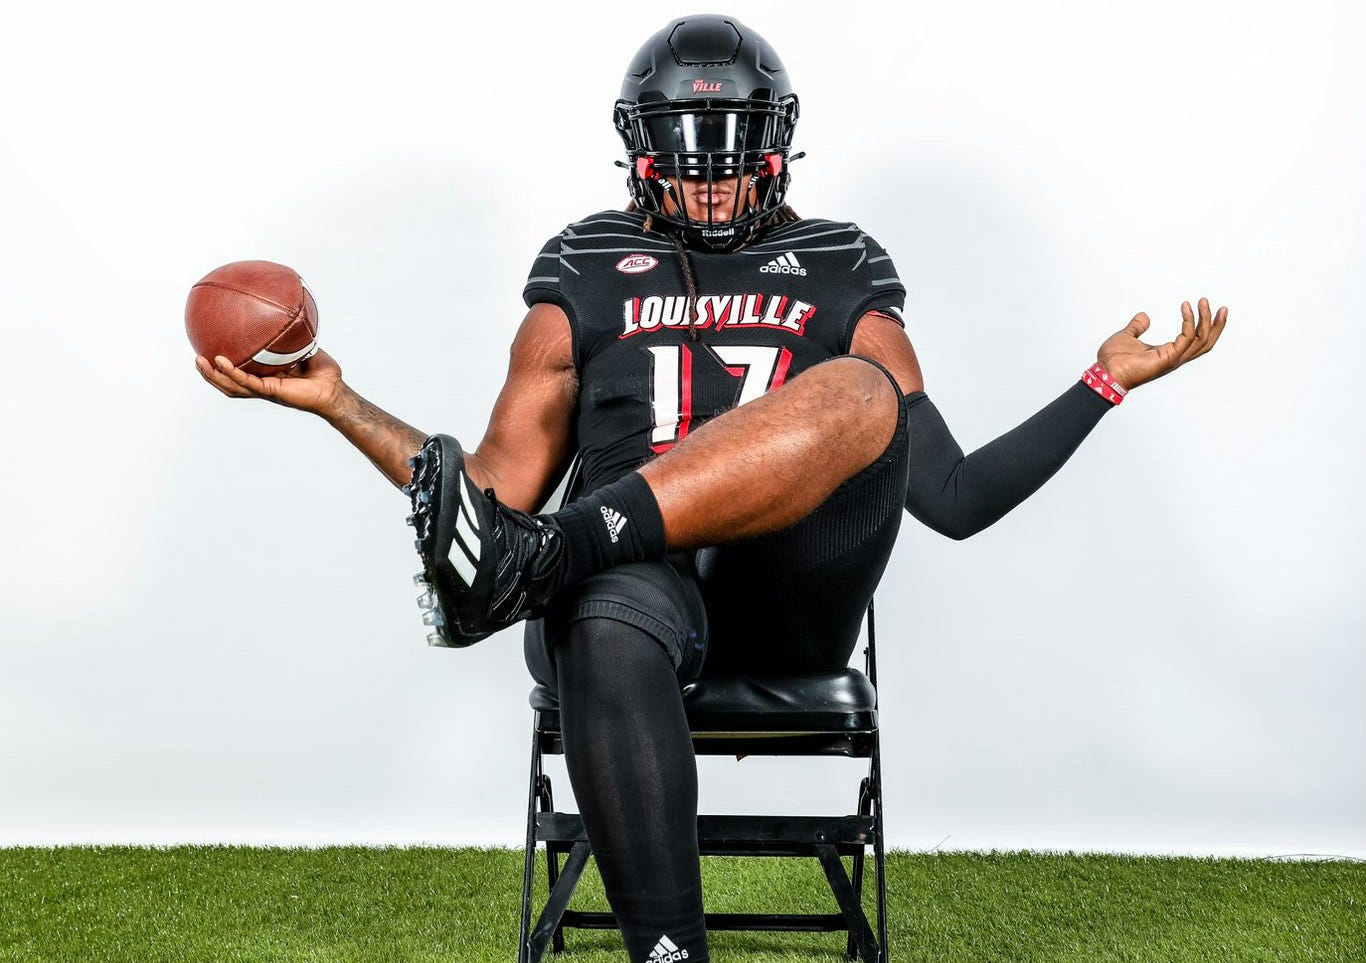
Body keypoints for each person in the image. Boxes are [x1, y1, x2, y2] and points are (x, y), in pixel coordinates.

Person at [195, 14, 1227, 963]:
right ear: (640, 150)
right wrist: (340, 402)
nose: (712, 184)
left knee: (860, 390)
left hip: (788, 590)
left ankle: (555, 558)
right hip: (629, 601)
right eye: (688, 158)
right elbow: (492, 496)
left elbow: (951, 497)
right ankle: (669, 953)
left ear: (776, 146)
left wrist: (1100, 384)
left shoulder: (840, 259)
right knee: (601, 610)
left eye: (734, 156)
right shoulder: (583, 262)